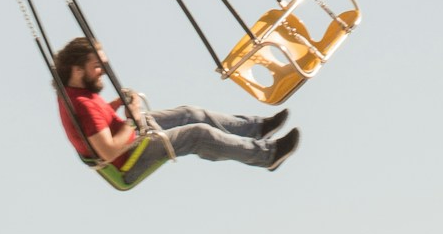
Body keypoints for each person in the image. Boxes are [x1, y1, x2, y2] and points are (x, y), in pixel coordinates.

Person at [51, 36, 297, 175]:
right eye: (97, 66)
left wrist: (118, 104)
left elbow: (96, 124)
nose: (102, 71)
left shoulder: (74, 90)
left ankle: (256, 128)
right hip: (129, 157)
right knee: (198, 135)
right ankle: (267, 156)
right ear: (77, 69)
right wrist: (133, 117)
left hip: (131, 135)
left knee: (190, 113)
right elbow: (108, 150)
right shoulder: (82, 104)